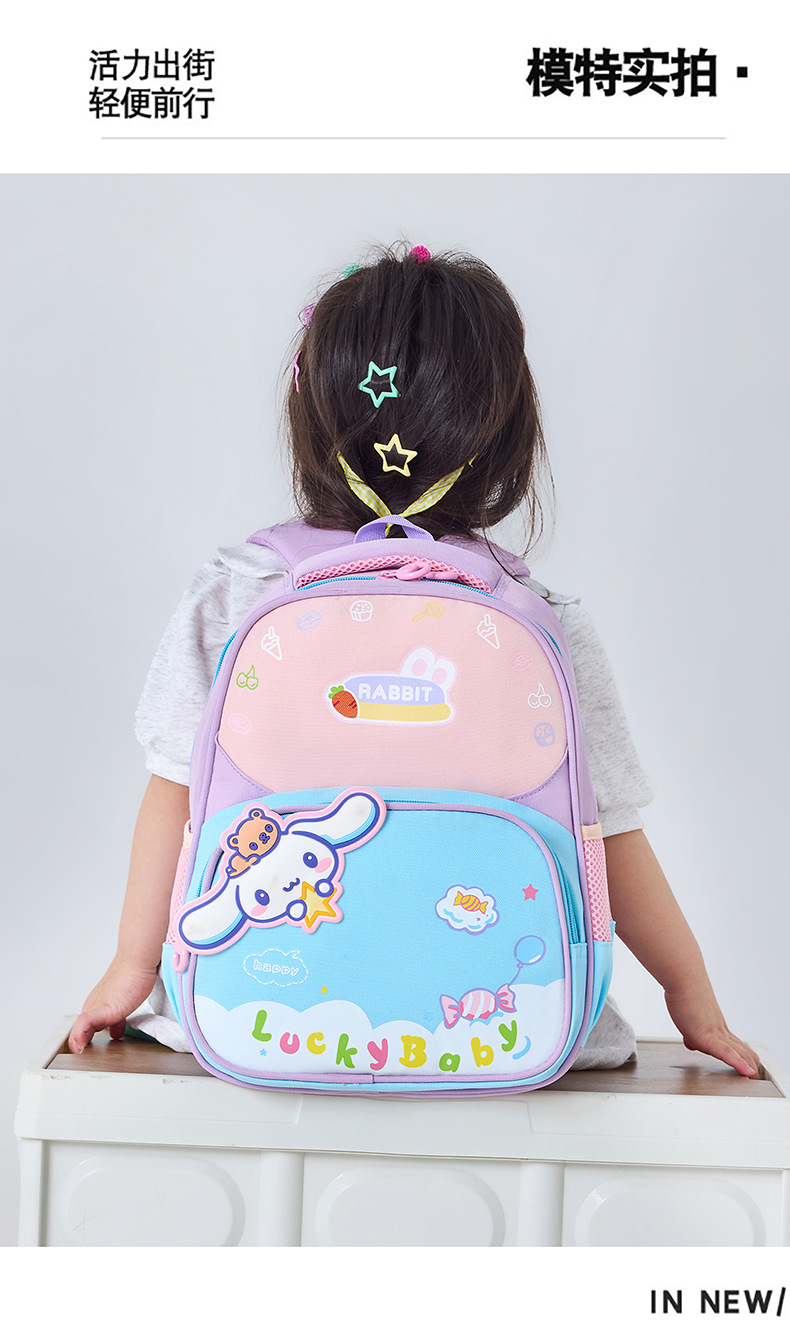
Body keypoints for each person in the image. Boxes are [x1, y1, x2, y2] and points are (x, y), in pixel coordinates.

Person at [68, 243, 760, 1078]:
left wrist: (132, 968)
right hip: (514, 1028)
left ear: (307, 417)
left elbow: (174, 792)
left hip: (252, 1010)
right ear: (506, 439)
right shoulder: (542, 619)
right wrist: (691, 997)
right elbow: (608, 833)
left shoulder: (237, 593)